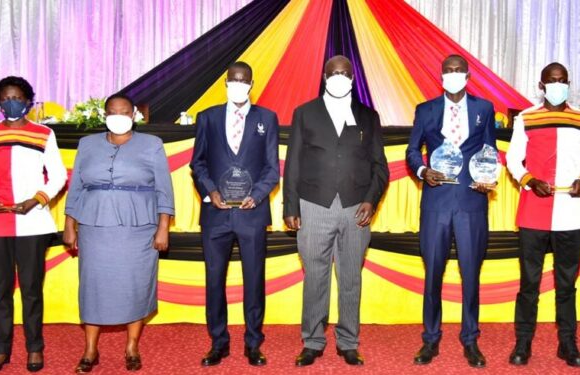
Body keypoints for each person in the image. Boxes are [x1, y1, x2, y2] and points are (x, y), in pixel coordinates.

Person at [283, 55, 389, 367]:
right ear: (324, 77)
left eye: (344, 73)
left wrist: (372, 199)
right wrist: (291, 206)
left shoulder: (368, 116)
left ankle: (348, 342)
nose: (339, 77)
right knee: (315, 276)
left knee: (350, 277)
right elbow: (293, 165)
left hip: (357, 208)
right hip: (313, 206)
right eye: (333, 73)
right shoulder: (305, 113)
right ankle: (313, 341)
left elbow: (379, 166)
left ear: (353, 78)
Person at [63, 93, 174, 373]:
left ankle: (132, 347)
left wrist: (163, 228)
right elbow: (76, 186)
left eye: (124, 112)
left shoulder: (152, 144)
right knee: (93, 286)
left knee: (135, 285)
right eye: (112, 112)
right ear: (104, 115)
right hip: (94, 227)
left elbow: (164, 188)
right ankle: (90, 350)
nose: (118, 116)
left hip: (139, 229)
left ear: (134, 114)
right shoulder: (87, 145)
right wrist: (69, 223)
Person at [0, 76, 67, 373]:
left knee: (32, 290)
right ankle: (1, 350)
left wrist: (37, 199)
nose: (13, 103)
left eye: (19, 98)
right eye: (7, 98)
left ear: (28, 102)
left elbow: (58, 175)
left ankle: (35, 349)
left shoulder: (44, 133)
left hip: (32, 221)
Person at [405, 54, 496, 368]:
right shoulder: (426, 109)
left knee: (471, 275)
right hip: (436, 203)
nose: (453, 75)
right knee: (433, 275)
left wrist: (489, 177)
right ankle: (430, 340)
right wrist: (421, 171)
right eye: (448, 71)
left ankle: (470, 340)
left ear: (467, 76)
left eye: (459, 71)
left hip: (471, 203)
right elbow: (412, 150)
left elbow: (489, 151)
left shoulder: (484, 109)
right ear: (441, 75)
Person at [505, 62, 580, 367]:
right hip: (534, 209)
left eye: (562, 80)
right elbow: (514, 159)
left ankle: (567, 344)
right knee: (529, 283)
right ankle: (523, 342)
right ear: (541, 86)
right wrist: (530, 180)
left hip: (569, 210)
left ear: (568, 83)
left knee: (567, 283)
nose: (557, 85)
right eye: (552, 81)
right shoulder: (526, 118)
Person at [190, 61, 279, 367]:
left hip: (252, 214)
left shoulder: (267, 118)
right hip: (215, 214)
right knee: (214, 280)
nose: (238, 85)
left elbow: (272, 169)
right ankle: (219, 342)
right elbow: (197, 163)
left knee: (254, 279)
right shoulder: (208, 118)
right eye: (233, 81)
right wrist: (210, 191)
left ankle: (253, 343)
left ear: (251, 84)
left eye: (244, 81)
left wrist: (256, 195)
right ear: (226, 84)